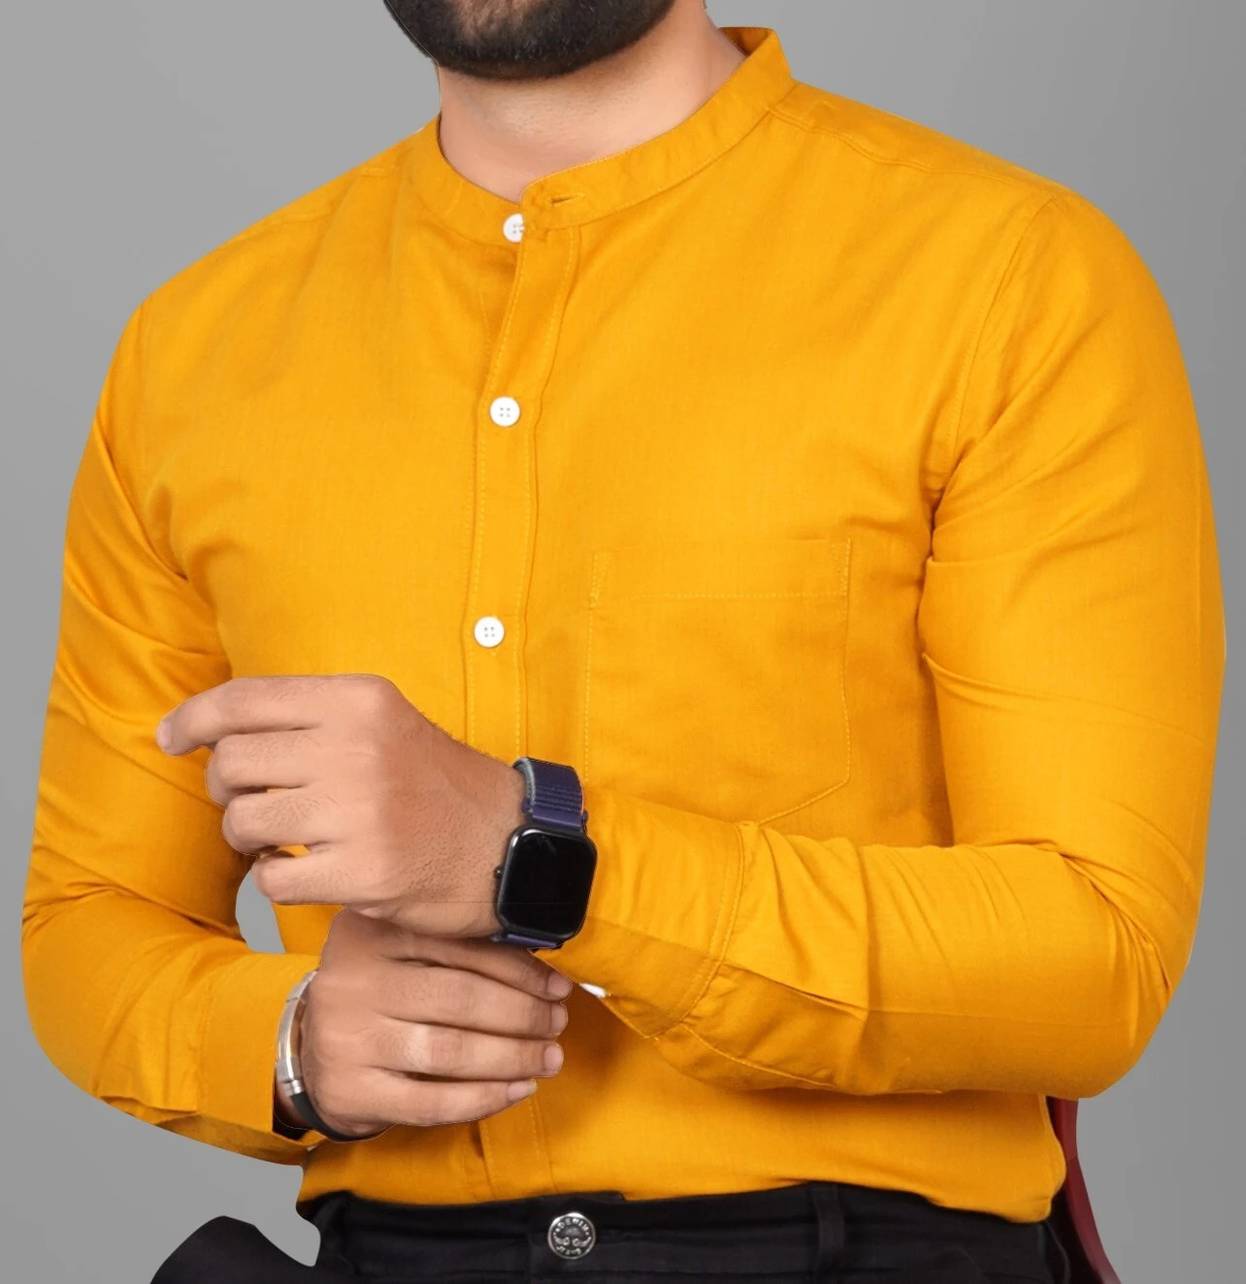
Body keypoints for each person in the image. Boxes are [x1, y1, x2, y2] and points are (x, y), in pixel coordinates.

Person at [21, 1, 1224, 1280]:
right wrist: (291, 1041)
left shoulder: (1006, 279)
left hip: (857, 1252)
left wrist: (539, 862)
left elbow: (1092, 951)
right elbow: (91, 919)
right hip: (398, 1251)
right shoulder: (193, 352)